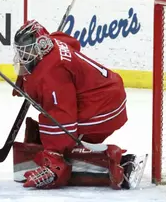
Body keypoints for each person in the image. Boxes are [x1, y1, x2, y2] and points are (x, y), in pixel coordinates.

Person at [11, 20, 143, 189]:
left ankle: (116, 163)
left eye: (28, 50)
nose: (23, 56)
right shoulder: (54, 42)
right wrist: (27, 77)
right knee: (50, 128)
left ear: (41, 46)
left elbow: (61, 116)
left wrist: (54, 157)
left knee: (54, 124)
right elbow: (72, 42)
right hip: (107, 92)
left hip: (103, 107)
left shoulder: (51, 73)